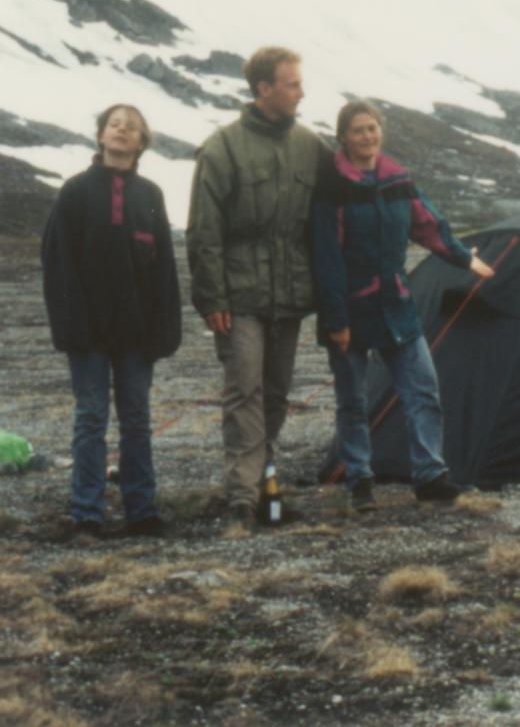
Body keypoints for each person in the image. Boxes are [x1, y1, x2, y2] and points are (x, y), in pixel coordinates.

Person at [313, 100, 494, 510]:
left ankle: (430, 475)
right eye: (358, 130)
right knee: (352, 401)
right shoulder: (332, 188)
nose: (367, 136)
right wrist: (336, 320)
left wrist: (463, 257)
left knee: (422, 390)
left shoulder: (397, 180)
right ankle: (359, 480)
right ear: (343, 137)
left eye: (372, 128)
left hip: (395, 304)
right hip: (350, 307)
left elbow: (427, 224)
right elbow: (326, 257)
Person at [187, 47, 326, 527]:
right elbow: (204, 229)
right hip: (240, 298)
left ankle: (268, 488)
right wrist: (213, 298)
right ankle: (242, 500)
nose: (301, 91)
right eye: (292, 83)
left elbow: (341, 206)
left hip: (289, 298)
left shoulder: (311, 146)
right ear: (264, 89)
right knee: (244, 389)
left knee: (276, 394)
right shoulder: (223, 147)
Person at [42, 104, 181, 537]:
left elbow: (164, 271)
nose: (122, 131)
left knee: (137, 418)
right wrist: (70, 326)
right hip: (87, 333)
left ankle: (142, 510)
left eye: (132, 127)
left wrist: (164, 330)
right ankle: (87, 512)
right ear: (101, 135)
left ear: (142, 141)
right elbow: (58, 263)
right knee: (91, 418)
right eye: (115, 124)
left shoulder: (151, 196)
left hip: (137, 335)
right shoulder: (75, 191)